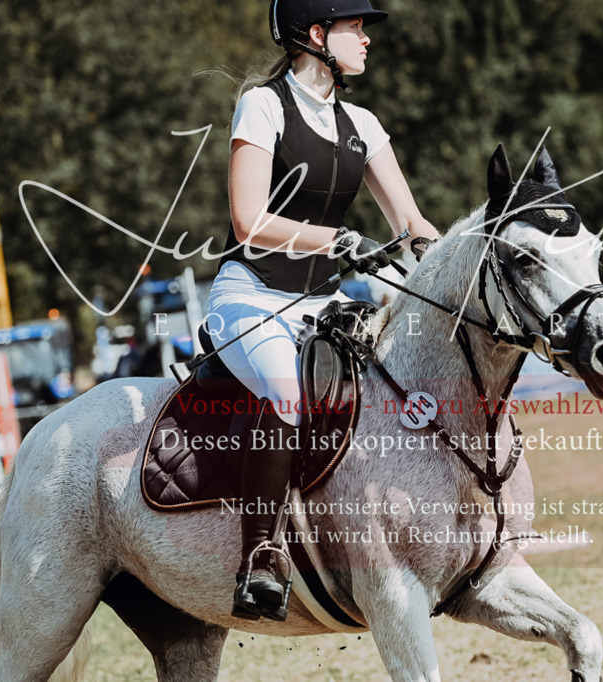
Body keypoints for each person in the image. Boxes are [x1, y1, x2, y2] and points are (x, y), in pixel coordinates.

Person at [208, 0, 439, 622]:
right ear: (316, 35)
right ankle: (260, 555)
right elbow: (249, 220)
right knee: (288, 394)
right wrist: (339, 241)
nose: (366, 39)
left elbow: (411, 225)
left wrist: (463, 266)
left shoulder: (363, 122)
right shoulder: (263, 105)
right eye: (354, 27)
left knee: (393, 389)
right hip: (252, 298)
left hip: (321, 304)